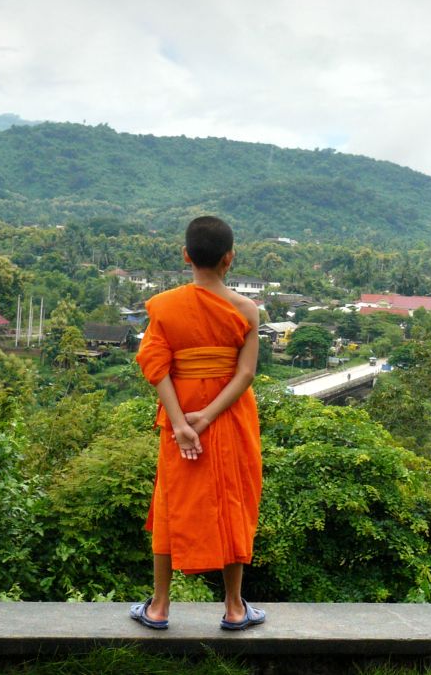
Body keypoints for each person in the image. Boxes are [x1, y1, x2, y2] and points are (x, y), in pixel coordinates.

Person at [130, 215, 265, 631]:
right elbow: (245, 375)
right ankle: (234, 608)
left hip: (181, 416)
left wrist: (181, 424)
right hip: (228, 415)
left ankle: (159, 607)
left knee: (172, 501)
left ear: (186, 255)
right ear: (230, 259)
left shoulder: (165, 306)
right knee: (234, 501)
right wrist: (207, 417)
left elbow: (156, 367)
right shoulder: (246, 310)